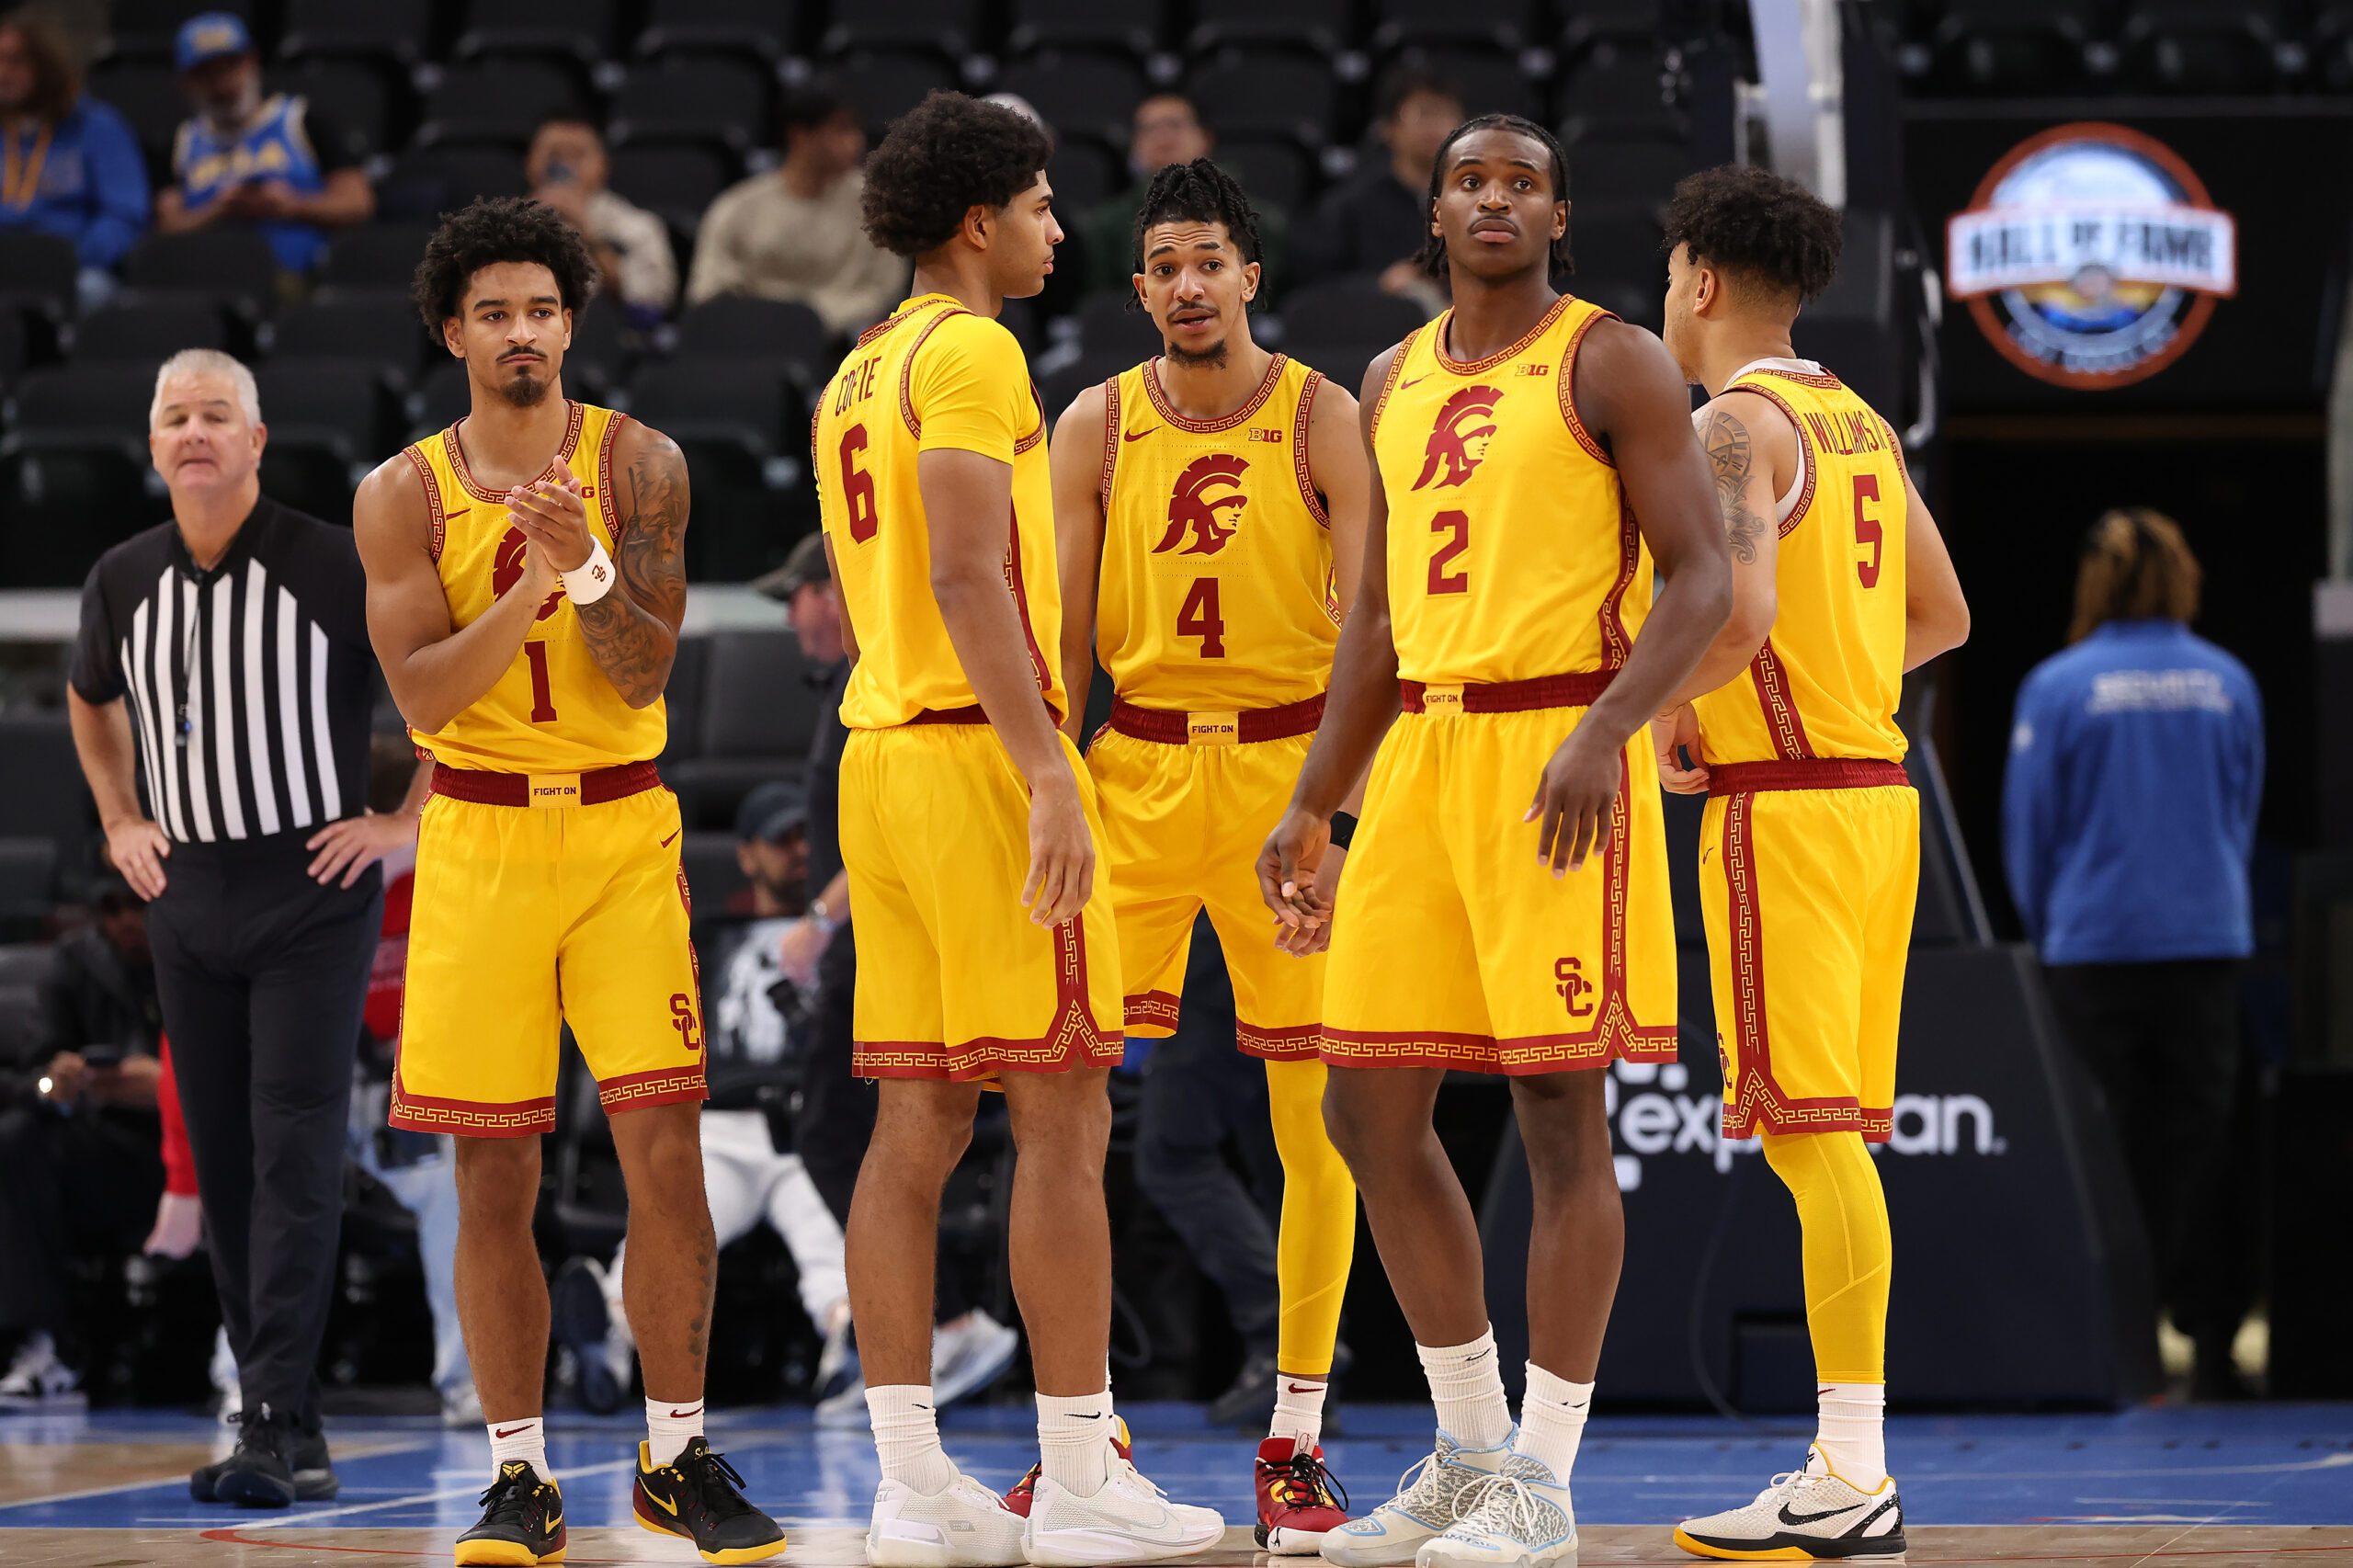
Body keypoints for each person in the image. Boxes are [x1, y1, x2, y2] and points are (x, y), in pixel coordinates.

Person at [1259, 114, 1733, 1568]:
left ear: (1559, 216)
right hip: (1421, 757)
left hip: (1557, 753)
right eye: (1471, 178)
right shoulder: (1391, 378)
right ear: (1436, 208)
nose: (1493, 198)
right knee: (1364, 1109)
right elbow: (1381, 626)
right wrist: (1315, 800)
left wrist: (1607, 731)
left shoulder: (1613, 359)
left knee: (1555, 1117)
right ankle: (1469, 1450)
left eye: (1521, 181)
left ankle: (1545, 1474)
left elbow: (1705, 581)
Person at [813, 89, 1221, 1567]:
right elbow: (972, 575)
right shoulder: (975, 348)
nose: (1063, 227)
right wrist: (1053, 768)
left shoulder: (859, 368)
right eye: (1045, 206)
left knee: (914, 1120)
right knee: (1063, 1103)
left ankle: (911, 1479)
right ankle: (1078, 1466)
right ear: (979, 221)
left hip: (883, 762)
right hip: (984, 759)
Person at [354, 196, 784, 1566]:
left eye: (541, 309)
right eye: (494, 312)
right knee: (494, 1176)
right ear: (453, 332)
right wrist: (528, 592)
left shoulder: (641, 460)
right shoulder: (400, 493)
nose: (521, 332)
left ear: (571, 323)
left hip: (619, 832)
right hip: (478, 838)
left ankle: (675, 1449)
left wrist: (586, 561)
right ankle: (518, 1473)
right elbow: (421, 697)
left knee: (667, 1150)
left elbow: (648, 667)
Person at [1643, 164, 1970, 1562]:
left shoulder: (1732, 425)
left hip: (1783, 810)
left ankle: (1852, 1462)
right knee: (1821, 1131)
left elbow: (1739, 607)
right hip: (1873, 794)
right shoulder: (1861, 422)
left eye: (1667, 275)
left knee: (1809, 1134)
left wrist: (1660, 710)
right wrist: (1830, 688)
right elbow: (1944, 615)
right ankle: (1852, 1456)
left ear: (1701, 281)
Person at [1050, 156, 1361, 1555]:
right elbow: (1059, 641)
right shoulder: (1098, 423)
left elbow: (1378, 634)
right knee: (1063, 1106)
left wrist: (1341, 813)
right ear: (1140, 287)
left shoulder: (1325, 416)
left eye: (1209, 262)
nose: (1187, 285)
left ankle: (1296, 1432)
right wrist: (1046, 781)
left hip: (1289, 778)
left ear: (1251, 275)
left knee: (1316, 1122)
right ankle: (1086, 1431)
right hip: (1133, 773)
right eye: (1163, 264)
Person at [66, 348, 415, 1505]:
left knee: (294, 1147)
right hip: (187, 895)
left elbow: (448, 686)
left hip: (312, 888)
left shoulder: (330, 560)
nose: (197, 431)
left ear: (257, 440)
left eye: (219, 413)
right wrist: (121, 816)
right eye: (177, 416)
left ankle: (270, 1411)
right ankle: (286, 1418)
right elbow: (87, 692)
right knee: (219, 1161)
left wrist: (398, 822)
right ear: (154, 443)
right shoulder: (122, 576)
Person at [744, 539, 1026, 1428]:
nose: (791, 616)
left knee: (844, 1128)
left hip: (877, 922)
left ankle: (944, 1324)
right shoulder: (843, 684)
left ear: (838, 591)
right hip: (869, 923)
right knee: (871, 1129)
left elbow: (884, 812)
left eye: (799, 593)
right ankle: (929, 1329)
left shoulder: (888, 669)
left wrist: (821, 919)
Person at [2002, 508, 2258, 1401]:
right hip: (2203, 942)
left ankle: (2111, 1337)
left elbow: (2028, 831)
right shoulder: (2228, 682)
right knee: (2202, 1148)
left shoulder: (2057, 687)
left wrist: (2051, 926)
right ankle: (2214, 1338)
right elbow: (2240, 809)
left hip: (2092, 947)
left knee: (2096, 1149)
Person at [548, 781, 866, 1426]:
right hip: (720, 1125)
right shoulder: (704, 931)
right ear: (746, 856)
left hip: (807, 1127)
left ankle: (850, 1349)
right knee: (669, 1221)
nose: (801, 851)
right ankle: (605, 1342)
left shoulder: (847, 931)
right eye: (783, 840)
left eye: (808, 837)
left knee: (830, 1241)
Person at [0, 879, 165, 1411]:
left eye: (137, 904)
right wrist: (61, 1083)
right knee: (17, 1140)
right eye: (112, 908)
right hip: (99, 1142)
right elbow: (32, 1077)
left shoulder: (199, 952)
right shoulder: (73, 963)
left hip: (184, 1147)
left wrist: (168, 1087)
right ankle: (47, 1344)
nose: (126, 920)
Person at [155, 13, 373, 278]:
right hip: (206, 280)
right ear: (186, 82)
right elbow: (168, 228)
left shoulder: (302, 122)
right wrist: (220, 209)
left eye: (230, 66)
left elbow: (359, 203)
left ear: (252, 62)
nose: (222, 85)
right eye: (206, 74)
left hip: (298, 278)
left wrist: (292, 205)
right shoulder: (181, 143)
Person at [687, 81, 905, 334]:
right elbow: (706, 290)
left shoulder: (877, 205)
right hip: (746, 339)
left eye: (857, 130)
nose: (856, 141)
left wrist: (805, 323)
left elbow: (883, 291)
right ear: (800, 137)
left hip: (841, 351)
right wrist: (765, 320)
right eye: (841, 130)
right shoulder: (737, 206)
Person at [1078, 96, 1288, 299]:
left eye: (1175, 125)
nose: (1163, 137)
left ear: (1205, 137)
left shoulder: (1257, 219)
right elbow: (1103, 304)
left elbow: (1264, 300)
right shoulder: (1107, 223)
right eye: (1149, 129)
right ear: (1135, 145)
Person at [0, 7, 148, 294]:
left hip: (74, 268)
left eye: (15, 62)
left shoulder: (98, 127)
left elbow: (124, 216)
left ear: (47, 65)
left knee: (92, 290)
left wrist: (71, 259)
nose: (2, 73)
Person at [1292, 64, 1461, 305]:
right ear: (1388, 128)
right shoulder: (1351, 205)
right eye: (1422, 113)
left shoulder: (1474, 202)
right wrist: (1378, 285)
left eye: (1446, 113)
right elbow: (1316, 283)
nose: (1435, 126)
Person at [525, 114, 676, 326]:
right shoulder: (501, 225)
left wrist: (589, 237)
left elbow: (651, 303)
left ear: (603, 165)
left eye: (577, 156)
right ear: (529, 161)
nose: (564, 167)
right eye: (554, 155)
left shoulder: (639, 227)